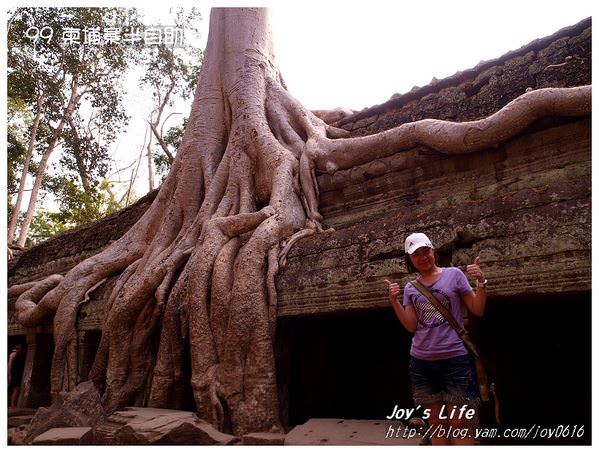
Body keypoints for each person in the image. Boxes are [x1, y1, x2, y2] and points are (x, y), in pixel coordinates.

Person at [384, 232, 487, 445]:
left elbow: (477, 309)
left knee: (460, 424)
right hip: (422, 362)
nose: (423, 257)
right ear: (410, 260)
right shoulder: (411, 288)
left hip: (455, 360)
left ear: (434, 251)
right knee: (437, 424)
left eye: (426, 251)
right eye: (416, 255)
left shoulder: (454, 275)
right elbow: (411, 326)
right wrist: (394, 301)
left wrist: (480, 282)